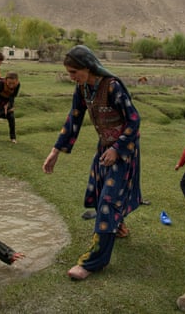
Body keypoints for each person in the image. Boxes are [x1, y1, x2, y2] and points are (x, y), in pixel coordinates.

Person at [42, 45, 142, 280]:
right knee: (101, 194)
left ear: (88, 68)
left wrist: (118, 149)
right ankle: (119, 227)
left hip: (123, 151)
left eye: (74, 72)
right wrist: (55, 151)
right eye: (69, 73)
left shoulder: (113, 86)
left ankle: (93, 262)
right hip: (104, 148)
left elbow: (134, 121)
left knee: (108, 199)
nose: (71, 77)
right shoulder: (83, 89)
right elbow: (73, 119)